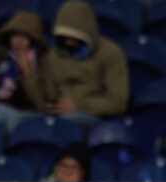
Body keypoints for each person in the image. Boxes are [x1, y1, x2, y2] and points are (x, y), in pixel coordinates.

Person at [46, 1, 129, 129]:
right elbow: (50, 93)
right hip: (59, 116)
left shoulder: (111, 52)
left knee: (66, 123)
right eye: (65, 36)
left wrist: (80, 106)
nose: (68, 41)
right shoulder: (54, 54)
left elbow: (118, 102)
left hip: (95, 118)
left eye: (73, 36)